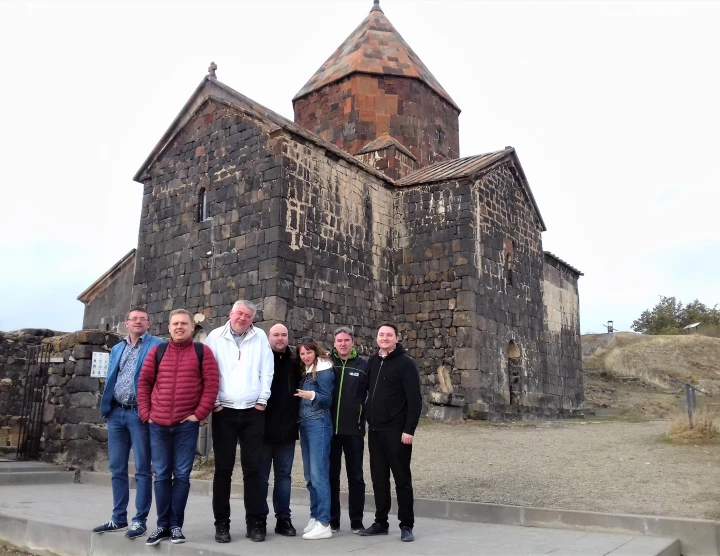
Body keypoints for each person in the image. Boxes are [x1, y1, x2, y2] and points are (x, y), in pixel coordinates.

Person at [137, 309, 219, 546]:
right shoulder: (157, 351)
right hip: (158, 425)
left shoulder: (202, 352)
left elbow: (211, 385)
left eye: (184, 323)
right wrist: (146, 414)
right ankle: (162, 525)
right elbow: (143, 383)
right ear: (169, 328)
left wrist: (198, 415)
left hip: (186, 425)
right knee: (161, 475)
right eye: (175, 324)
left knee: (181, 476)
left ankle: (175, 526)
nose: (179, 327)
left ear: (192, 328)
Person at [205, 300, 274, 543]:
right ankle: (221, 524)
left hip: (253, 411)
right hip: (224, 410)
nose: (242, 318)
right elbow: (209, 370)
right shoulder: (214, 336)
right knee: (223, 470)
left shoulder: (260, 337)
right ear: (230, 314)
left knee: (253, 470)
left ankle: (255, 523)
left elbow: (267, 370)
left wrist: (262, 400)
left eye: (247, 315)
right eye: (239, 314)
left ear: (252, 319)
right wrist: (213, 400)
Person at [93, 307, 165, 540]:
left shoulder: (157, 345)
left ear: (149, 323)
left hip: (139, 414)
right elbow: (113, 376)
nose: (138, 322)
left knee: (143, 469)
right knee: (117, 468)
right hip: (116, 413)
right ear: (126, 323)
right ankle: (118, 517)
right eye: (134, 319)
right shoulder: (118, 347)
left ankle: (139, 520)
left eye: (142, 319)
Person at [359, 323, 422, 543]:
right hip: (375, 430)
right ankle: (380, 522)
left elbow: (415, 399)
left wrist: (409, 429)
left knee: (402, 479)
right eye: (381, 335)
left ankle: (406, 524)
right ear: (377, 338)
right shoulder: (373, 362)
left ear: (397, 338)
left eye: (389, 335)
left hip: (397, 431)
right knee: (379, 479)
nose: (384, 338)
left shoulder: (406, 364)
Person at [258, 323, 301, 537]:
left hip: (287, 431)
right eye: (276, 334)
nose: (280, 338)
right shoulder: (260, 359)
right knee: (261, 478)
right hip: (263, 430)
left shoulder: (295, 361)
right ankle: (259, 520)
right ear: (269, 337)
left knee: (284, 477)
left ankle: (283, 519)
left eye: (284, 334)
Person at [329, 327, 369, 533]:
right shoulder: (327, 363)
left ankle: (356, 520)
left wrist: (364, 418)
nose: (343, 344)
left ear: (353, 343)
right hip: (330, 431)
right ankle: (333, 520)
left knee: (356, 477)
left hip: (354, 430)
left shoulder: (364, 366)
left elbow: (371, 396)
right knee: (331, 476)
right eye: (339, 340)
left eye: (346, 340)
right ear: (334, 343)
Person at [294, 338, 335, 540]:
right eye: (302, 353)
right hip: (306, 425)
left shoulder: (324, 368)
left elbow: (327, 398)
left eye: (308, 352)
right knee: (310, 476)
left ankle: (325, 522)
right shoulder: (306, 369)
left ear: (315, 352)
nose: (305, 356)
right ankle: (315, 515)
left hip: (319, 423)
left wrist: (311, 395)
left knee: (319, 475)